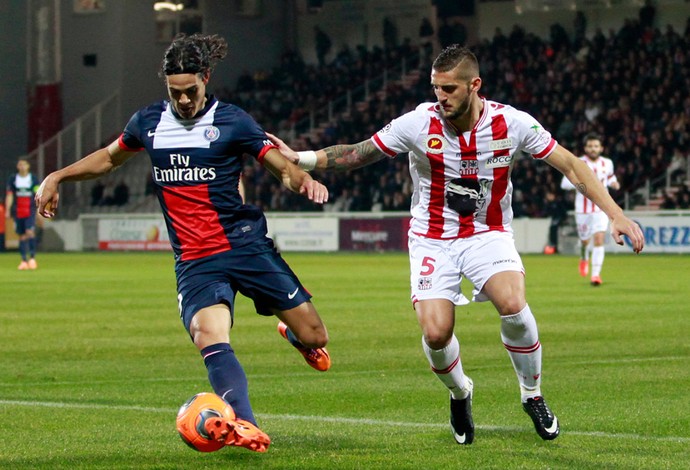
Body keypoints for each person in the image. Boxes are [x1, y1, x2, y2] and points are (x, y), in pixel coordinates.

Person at [269, 45, 644, 445]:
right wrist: (304, 158)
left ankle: (531, 394)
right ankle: (460, 392)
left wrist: (615, 214)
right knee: (435, 333)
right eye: (436, 88)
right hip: (432, 238)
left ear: (474, 85)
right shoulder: (418, 122)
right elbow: (361, 152)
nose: (440, 97)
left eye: (448, 88)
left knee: (513, 302)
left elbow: (571, 164)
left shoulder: (511, 123)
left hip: (488, 232)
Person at [35, 33, 332, 453]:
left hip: (246, 246)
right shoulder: (148, 123)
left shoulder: (233, 121)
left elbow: (279, 166)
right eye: (176, 93)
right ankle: (244, 424)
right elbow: (107, 158)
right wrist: (56, 176)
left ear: (206, 78)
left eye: (191, 91)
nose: (185, 101)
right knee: (208, 335)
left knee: (316, 336)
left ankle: (292, 333)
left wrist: (302, 180)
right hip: (196, 260)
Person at [560, 133, 621, 286]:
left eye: (596, 146)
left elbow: (610, 177)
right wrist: (580, 185)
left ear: (601, 148)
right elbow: (564, 183)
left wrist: (614, 183)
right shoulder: (578, 162)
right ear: (585, 148)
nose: (593, 149)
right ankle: (583, 257)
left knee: (599, 239)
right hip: (583, 209)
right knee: (585, 241)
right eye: (590, 146)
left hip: (601, 208)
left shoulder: (607, 163)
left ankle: (595, 275)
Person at [6, 158, 41, 270]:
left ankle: (32, 258)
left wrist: (39, 209)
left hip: (29, 210)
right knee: (21, 235)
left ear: (28, 166)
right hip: (18, 211)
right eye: (20, 164)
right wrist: (8, 209)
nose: (22, 167)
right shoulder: (13, 179)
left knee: (29, 232)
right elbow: (10, 195)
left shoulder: (33, 179)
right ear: (17, 166)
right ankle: (23, 260)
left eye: (24, 164)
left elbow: (37, 194)